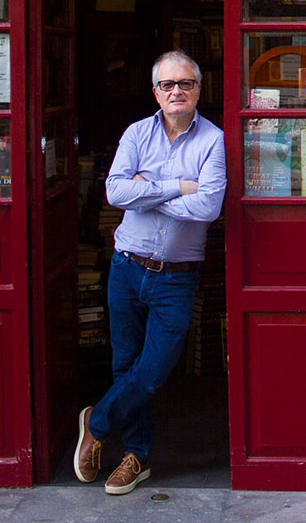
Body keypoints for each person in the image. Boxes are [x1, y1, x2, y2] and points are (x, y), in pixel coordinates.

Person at [74, 50, 227, 496]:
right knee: (126, 365)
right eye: (167, 85)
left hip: (176, 277)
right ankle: (136, 457)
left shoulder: (213, 140)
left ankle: (96, 422)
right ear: (155, 91)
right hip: (126, 267)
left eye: (185, 84)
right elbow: (117, 191)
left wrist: (147, 190)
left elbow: (209, 205)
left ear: (199, 90)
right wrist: (178, 185)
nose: (176, 92)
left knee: (154, 369)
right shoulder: (136, 133)